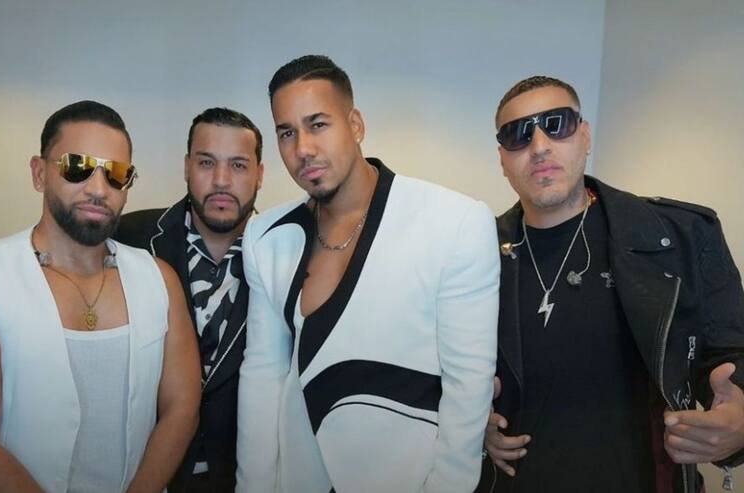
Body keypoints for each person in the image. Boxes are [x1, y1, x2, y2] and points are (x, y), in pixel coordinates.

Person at [235, 54, 500, 493]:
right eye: (287, 133)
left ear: (355, 124)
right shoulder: (266, 236)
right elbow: (263, 376)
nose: (303, 148)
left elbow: (468, 386)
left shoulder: (454, 222)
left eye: (318, 124)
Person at [478, 75, 744, 493]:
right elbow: (445, 372)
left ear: (585, 136)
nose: (540, 146)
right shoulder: (475, 253)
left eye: (557, 124)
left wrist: (739, 421)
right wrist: (473, 427)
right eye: (518, 134)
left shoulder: (680, 236)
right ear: (502, 159)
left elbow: (729, 355)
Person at [0, 101, 200, 493]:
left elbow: (182, 408)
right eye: (77, 167)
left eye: (116, 174)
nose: (98, 189)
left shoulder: (159, 280)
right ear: (39, 173)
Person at [115, 107, 264, 492]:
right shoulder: (126, 239)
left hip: (244, 476)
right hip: (142, 474)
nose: (221, 180)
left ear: (260, 175)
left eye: (238, 165)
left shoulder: (289, 252)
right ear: (186, 167)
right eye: (206, 162)